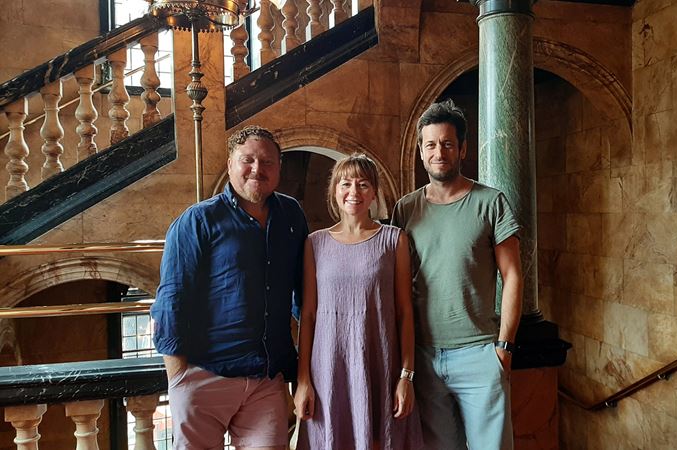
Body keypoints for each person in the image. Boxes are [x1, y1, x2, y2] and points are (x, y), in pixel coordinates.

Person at [150, 125, 308, 450]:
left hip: (267, 380)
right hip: (204, 375)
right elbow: (172, 300)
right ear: (230, 163)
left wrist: (305, 365)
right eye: (247, 160)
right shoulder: (198, 221)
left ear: (279, 168)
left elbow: (302, 293)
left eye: (267, 162)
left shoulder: (291, 215)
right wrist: (179, 378)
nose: (257, 170)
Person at [391, 99, 523, 450]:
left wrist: (504, 348)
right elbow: (399, 284)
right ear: (421, 151)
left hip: (480, 352)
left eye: (447, 144)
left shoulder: (491, 202)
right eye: (431, 144)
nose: (439, 152)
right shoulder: (405, 210)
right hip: (425, 356)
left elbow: (513, 277)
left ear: (462, 148)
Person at [294, 154, 423, 450]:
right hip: (328, 367)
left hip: (381, 362)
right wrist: (303, 381)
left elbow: (405, 313)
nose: (354, 192)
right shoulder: (315, 243)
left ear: (374, 192)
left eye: (363, 184)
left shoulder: (394, 240)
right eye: (346, 183)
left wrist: (407, 376)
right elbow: (309, 314)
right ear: (335, 191)